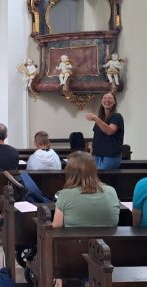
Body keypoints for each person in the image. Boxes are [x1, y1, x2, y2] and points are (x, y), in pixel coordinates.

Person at [52, 150, 120, 287]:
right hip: (109, 255)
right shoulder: (111, 191)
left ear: (70, 171)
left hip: (74, 259)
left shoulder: (65, 195)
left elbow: (56, 230)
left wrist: (58, 271)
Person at [86, 92, 124, 169]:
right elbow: (96, 138)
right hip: (97, 155)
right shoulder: (101, 118)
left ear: (114, 102)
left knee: (104, 179)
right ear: (101, 101)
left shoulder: (117, 117)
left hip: (110, 156)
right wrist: (91, 154)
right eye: (104, 98)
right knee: (96, 179)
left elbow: (110, 131)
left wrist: (96, 118)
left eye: (110, 98)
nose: (107, 100)